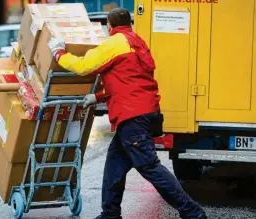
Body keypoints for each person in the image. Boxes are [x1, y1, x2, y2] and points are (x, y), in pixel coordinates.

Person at [48, 7, 207, 219]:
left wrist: (59, 53)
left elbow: (84, 66)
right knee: (114, 165)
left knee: (150, 167)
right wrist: (99, 97)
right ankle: (110, 214)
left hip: (133, 116)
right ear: (129, 23)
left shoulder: (115, 43)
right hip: (145, 112)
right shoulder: (137, 42)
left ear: (109, 25)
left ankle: (193, 212)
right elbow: (129, 80)